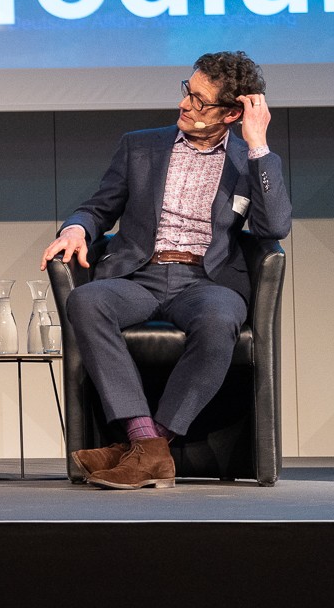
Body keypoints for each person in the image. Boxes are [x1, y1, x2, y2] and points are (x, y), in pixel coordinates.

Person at [42, 51, 290, 490]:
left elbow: (274, 227)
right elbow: (99, 206)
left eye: (199, 100)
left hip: (206, 281)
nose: (184, 105)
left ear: (233, 112)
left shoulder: (248, 159)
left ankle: (145, 448)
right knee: (86, 300)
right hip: (141, 273)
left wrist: (257, 146)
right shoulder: (141, 146)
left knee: (219, 321)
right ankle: (146, 441)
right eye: (185, 92)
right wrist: (77, 228)